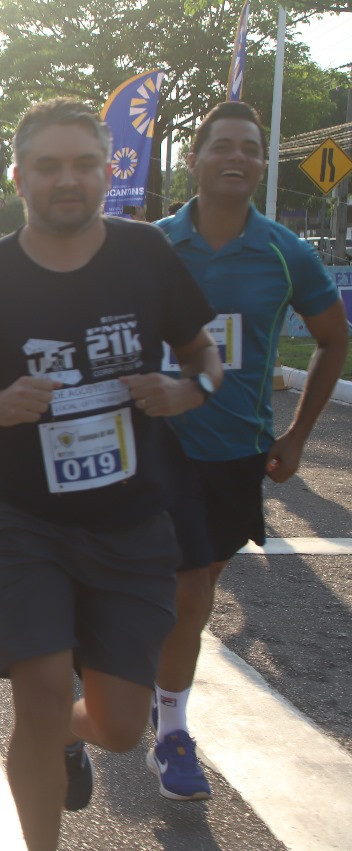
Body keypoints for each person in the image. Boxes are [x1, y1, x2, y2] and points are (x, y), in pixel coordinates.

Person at [0, 98, 223, 851]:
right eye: (48, 166)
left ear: (108, 171)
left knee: (122, 726)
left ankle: (74, 736)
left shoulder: (145, 253)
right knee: (40, 701)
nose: (67, 179)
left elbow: (204, 353)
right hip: (26, 525)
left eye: (83, 163)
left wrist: (189, 389)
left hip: (133, 527)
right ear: (18, 179)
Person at [146, 101, 349, 802]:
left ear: (262, 164)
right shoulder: (153, 246)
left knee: (193, 590)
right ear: (194, 159)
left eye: (251, 148)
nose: (237, 157)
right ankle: (170, 727)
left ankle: (161, 703)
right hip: (153, 446)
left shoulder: (286, 252)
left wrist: (297, 436)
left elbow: (332, 338)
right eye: (223, 145)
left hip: (235, 453)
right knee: (181, 590)